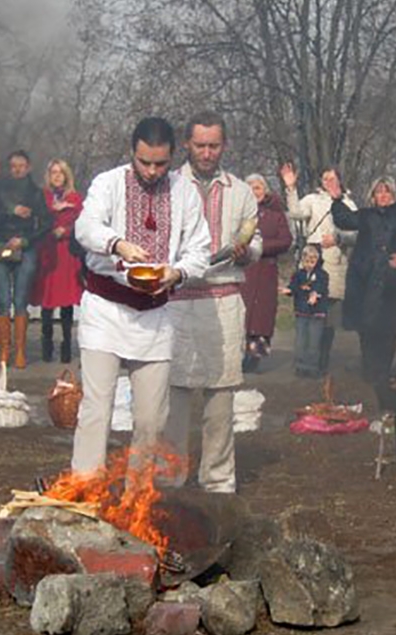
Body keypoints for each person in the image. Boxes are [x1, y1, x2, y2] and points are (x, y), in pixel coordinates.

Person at [71, 116, 210, 476]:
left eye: (160, 163)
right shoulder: (108, 183)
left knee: (151, 417)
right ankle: (86, 489)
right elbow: (85, 227)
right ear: (132, 153)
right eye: (144, 162)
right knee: (97, 408)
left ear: (172, 157)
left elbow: (200, 250)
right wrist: (117, 244)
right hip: (106, 310)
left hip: (155, 315)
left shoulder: (183, 191)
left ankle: (138, 498)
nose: (151, 171)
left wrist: (177, 272)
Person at [165, 112, 262, 494]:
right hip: (177, 300)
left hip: (223, 299)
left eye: (214, 145)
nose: (207, 153)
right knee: (173, 395)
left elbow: (255, 244)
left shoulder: (240, 191)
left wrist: (245, 253)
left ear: (224, 146)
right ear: (187, 144)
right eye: (200, 145)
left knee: (221, 398)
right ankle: (168, 475)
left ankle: (218, 480)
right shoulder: (170, 186)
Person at [331, 175, 396, 410]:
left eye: (387, 192)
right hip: (364, 283)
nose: (382, 196)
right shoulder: (366, 215)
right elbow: (344, 220)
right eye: (378, 192)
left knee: (388, 333)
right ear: (373, 196)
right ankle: (370, 379)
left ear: (394, 195)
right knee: (366, 332)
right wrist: (337, 198)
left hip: (392, 286)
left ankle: (382, 380)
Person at [279, 162, 357, 374]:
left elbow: (358, 233)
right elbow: (295, 213)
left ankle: (321, 360)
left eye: (333, 179)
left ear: (340, 180)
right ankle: (304, 363)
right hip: (311, 263)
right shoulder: (312, 200)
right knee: (306, 314)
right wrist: (291, 188)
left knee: (328, 319)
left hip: (336, 266)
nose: (329, 183)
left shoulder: (349, 203)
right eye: (325, 179)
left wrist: (338, 239)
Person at [0, 149, 47, 368]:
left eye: (21, 165)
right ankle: (5, 349)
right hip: (0, 245)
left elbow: (46, 224)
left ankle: (21, 351)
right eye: (14, 165)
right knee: (2, 300)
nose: (17, 169)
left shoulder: (36, 193)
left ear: (29, 167)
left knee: (20, 300)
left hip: (25, 247)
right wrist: (11, 210)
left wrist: (25, 240)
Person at [32, 158, 83, 363]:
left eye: (60, 172)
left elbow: (83, 223)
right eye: (53, 172)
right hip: (47, 250)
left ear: (66, 175)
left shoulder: (76, 198)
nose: (57, 176)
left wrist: (67, 230)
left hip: (67, 251)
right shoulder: (42, 196)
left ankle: (66, 344)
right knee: (47, 298)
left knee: (66, 301)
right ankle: (46, 342)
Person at [241, 173, 292, 372]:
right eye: (251, 189)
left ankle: (255, 359)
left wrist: (262, 247)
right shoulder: (241, 212)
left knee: (262, 317)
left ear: (265, 190)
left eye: (258, 188)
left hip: (266, 270)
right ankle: (239, 355)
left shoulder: (275, 214)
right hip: (245, 270)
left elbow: (286, 240)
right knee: (242, 315)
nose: (255, 193)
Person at [283, 243, 329, 377]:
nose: (309, 264)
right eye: (307, 261)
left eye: (313, 261)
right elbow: (294, 286)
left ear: (317, 261)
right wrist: (289, 290)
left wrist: (315, 294)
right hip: (301, 311)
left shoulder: (322, 274)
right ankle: (300, 366)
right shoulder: (298, 275)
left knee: (314, 341)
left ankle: (313, 367)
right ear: (302, 261)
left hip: (317, 313)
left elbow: (321, 287)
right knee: (300, 341)